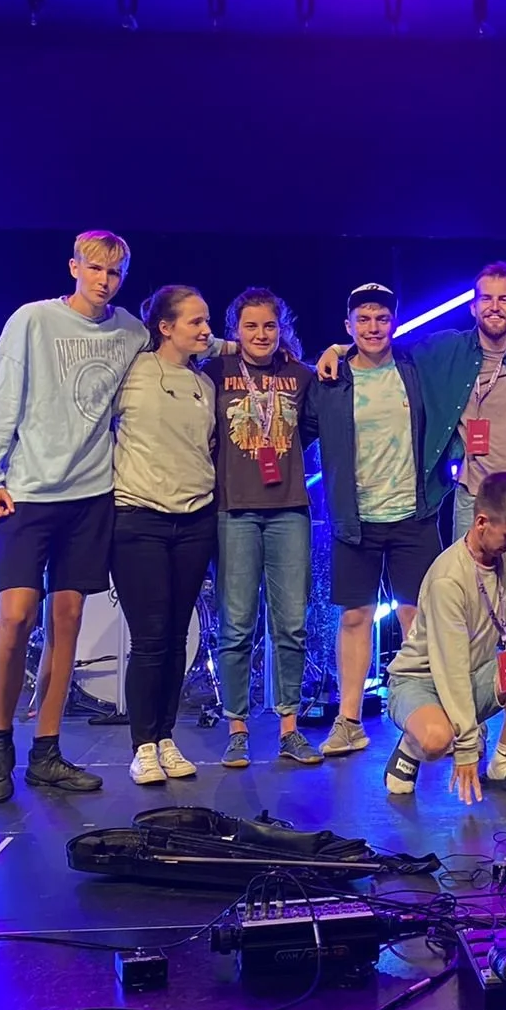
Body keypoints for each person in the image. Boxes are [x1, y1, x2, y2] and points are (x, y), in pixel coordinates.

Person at [321, 262, 506, 760]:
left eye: (504, 300)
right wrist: (339, 349)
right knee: (472, 617)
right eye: (485, 298)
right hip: (473, 501)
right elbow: (382, 347)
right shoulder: (445, 350)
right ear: (473, 306)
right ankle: (447, 713)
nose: (494, 307)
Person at [0, 230, 146, 803]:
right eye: (95, 269)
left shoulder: (130, 332)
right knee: (16, 617)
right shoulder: (34, 321)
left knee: (66, 622)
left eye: (115, 273)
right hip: (27, 493)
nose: (104, 280)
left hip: (91, 495)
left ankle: (47, 750)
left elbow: (187, 342)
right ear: (74, 267)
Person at [310, 283, 445, 760]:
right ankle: (349, 722)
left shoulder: (416, 369)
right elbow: (300, 428)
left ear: (394, 323)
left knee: (418, 620)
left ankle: (427, 717)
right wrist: (332, 352)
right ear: (348, 326)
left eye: (381, 318)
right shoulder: (329, 378)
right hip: (355, 520)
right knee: (354, 617)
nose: (372, 327)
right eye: (362, 319)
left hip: (412, 514)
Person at [203, 287, 323, 769]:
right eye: (250, 326)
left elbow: (311, 429)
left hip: (289, 508)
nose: (260, 335)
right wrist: (222, 347)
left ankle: (289, 728)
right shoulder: (216, 373)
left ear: (282, 328)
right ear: (236, 331)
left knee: (290, 623)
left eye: (269, 326)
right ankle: (237, 728)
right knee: (236, 623)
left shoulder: (300, 375)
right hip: (233, 510)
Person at [383, 472, 506, 802]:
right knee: (438, 739)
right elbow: (451, 668)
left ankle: (504, 762)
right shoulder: (449, 579)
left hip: (472, 673)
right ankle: (412, 743)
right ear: (480, 523)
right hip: (420, 681)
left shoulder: (504, 557)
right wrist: (466, 748)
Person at [110, 284, 218, 786]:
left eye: (207, 321)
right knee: (150, 640)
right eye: (194, 321)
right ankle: (142, 745)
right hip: (139, 519)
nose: (205, 330)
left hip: (195, 520)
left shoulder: (205, 384)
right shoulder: (130, 374)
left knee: (178, 639)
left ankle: (167, 736)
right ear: (165, 326)